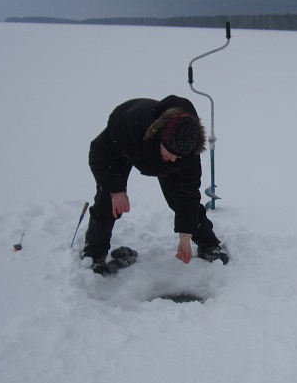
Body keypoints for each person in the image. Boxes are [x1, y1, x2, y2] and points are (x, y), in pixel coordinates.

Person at [83, 95, 229, 274]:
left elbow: (188, 193)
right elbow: (100, 153)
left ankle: (208, 243)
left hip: (155, 150)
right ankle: (94, 253)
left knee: (179, 198)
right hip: (129, 143)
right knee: (109, 200)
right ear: (160, 138)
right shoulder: (131, 125)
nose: (174, 159)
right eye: (171, 153)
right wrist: (116, 190)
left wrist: (185, 235)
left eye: (179, 156)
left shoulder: (188, 153)